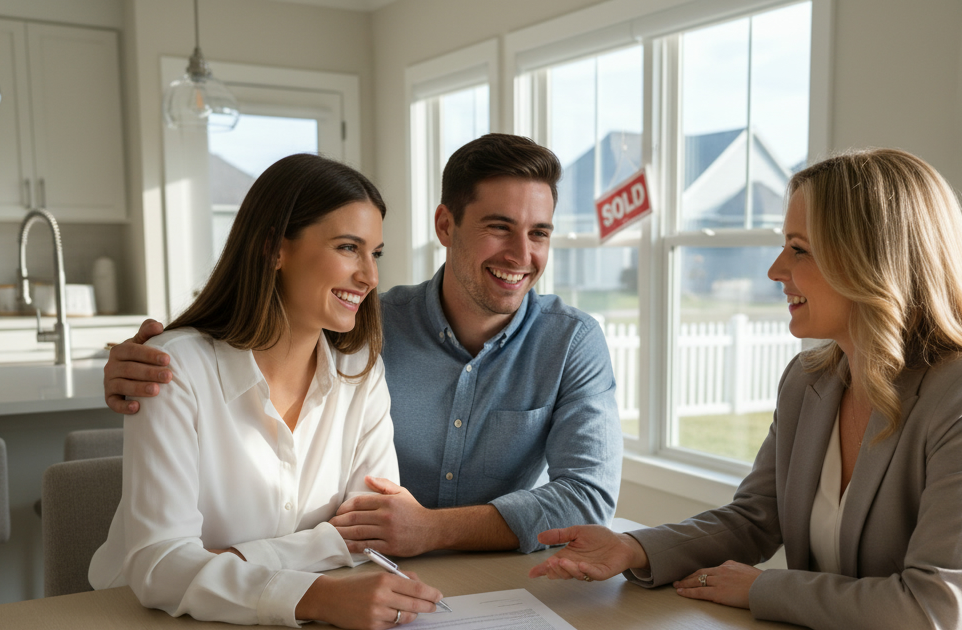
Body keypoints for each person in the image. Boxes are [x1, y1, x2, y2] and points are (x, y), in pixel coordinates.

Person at [529, 148, 962, 630]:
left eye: (798, 249)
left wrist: (763, 589)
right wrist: (634, 549)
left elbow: (935, 612)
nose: (776, 269)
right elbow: (756, 519)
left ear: (870, 260)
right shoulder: (809, 382)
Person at [101, 134, 623, 558]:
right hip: (347, 574)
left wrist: (432, 530)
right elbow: (247, 333)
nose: (522, 254)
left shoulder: (571, 342)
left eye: (540, 234)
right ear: (446, 225)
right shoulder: (364, 330)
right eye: (499, 227)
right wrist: (153, 361)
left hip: (453, 581)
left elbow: (589, 497)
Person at [89, 154, 444, 630]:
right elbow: (159, 566)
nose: (370, 277)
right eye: (347, 248)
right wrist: (316, 594)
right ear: (274, 249)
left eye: (374, 253)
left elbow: (370, 534)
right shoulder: (173, 370)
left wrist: (236, 559)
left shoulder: (361, 371)